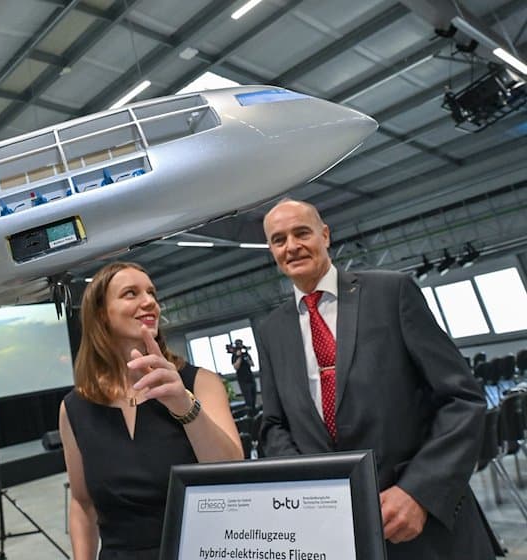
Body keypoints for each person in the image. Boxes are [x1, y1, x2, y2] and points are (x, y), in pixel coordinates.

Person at [257, 198, 494, 559]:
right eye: (278, 239)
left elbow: (461, 399)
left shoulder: (391, 292)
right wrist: (309, 486)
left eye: (301, 233)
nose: (291, 246)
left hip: (424, 523)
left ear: (325, 235)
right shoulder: (271, 330)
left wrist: (419, 491)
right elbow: (274, 426)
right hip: (337, 530)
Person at [59, 262, 242, 560]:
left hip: (202, 551)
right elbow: (82, 503)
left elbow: (233, 474)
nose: (149, 302)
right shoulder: (75, 408)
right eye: (131, 293)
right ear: (102, 314)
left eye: (151, 293)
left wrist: (184, 405)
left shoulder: (200, 383)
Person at [229, 339, 256, 411]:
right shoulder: (234, 356)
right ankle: (249, 416)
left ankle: (254, 412)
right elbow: (236, 367)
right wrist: (239, 356)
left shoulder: (246, 354)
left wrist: (246, 357)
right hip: (243, 380)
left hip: (250, 377)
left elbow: (252, 364)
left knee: (253, 398)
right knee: (248, 400)